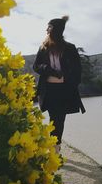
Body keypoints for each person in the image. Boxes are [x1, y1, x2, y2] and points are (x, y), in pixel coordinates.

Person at [33, 15, 85, 153]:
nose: (46, 30)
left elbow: (77, 70)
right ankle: (54, 148)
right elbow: (36, 66)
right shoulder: (43, 47)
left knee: (59, 119)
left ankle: (55, 149)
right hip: (48, 90)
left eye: (49, 27)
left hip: (63, 90)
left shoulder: (69, 48)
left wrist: (67, 79)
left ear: (56, 30)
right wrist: (49, 70)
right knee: (53, 119)